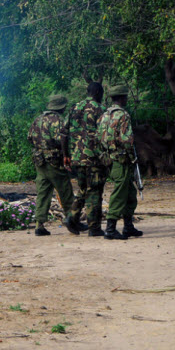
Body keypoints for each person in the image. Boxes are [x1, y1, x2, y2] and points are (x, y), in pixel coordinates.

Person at [28, 94, 80, 236]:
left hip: (39, 161)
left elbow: (30, 138)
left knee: (43, 192)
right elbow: (61, 140)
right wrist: (66, 155)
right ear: (62, 107)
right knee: (65, 190)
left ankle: (39, 224)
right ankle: (72, 220)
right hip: (54, 161)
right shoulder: (58, 120)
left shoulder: (37, 119)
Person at [97, 85, 143, 240]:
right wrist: (132, 156)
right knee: (119, 193)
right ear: (123, 98)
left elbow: (99, 138)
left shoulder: (105, 115)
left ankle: (128, 226)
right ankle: (110, 228)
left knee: (130, 192)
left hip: (110, 158)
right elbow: (126, 140)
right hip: (121, 159)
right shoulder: (123, 115)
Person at [64, 82, 107, 237]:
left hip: (76, 157)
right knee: (94, 191)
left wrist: (66, 155)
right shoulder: (100, 109)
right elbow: (104, 134)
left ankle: (71, 218)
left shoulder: (74, 108)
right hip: (94, 158)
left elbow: (64, 134)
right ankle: (94, 228)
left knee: (83, 189)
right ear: (97, 92)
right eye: (101, 93)